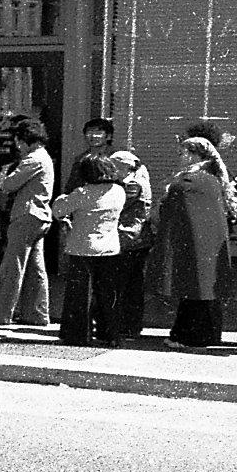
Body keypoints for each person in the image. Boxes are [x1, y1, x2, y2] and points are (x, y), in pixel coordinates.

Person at [155, 136, 237, 348]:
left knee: (194, 289)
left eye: (183, 153)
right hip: (207, 243)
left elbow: (171, 205)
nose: (180, 157)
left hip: (194, 242)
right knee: (202, 290)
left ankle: (188, 336)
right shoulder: (212, 177)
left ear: (195, 155)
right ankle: (199, 334)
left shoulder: (191, 180)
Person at [83, 118, 153, 339]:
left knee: (121, 286)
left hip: (128, 239)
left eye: (114, 166)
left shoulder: (130, 185)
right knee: (130, 286)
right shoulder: (132, 182)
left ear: (124, 166)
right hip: (135, 240)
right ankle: (127, 325)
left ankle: (122, 325)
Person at [0, 119, 54, 327]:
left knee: (12, 265)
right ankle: (37, 313)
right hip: (40, 216)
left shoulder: (33, 159)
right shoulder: (45, 157)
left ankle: (0, 312)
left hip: (26, 215)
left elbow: (9, 184)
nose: (17, 146)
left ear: (25, 140)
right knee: (35, 268)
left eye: (18, 141)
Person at [53, 152, 126, 347]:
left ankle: (78, 334)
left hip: (82, 248)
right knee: (107, 294)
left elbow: (59, 210)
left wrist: (62, 197)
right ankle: (109, 333)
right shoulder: (119, 191)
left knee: (80, 294)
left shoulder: (82, 193)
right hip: (110, 248)